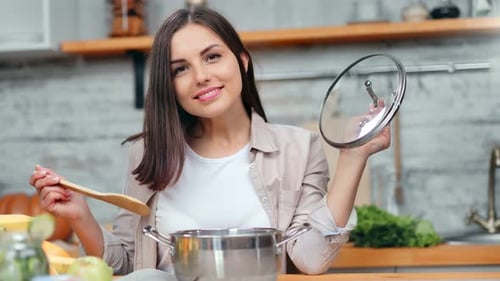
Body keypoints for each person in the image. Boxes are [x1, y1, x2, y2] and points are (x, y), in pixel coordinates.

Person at [29, 6, 390, 277]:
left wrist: (353, 157)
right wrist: (81, 217)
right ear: (168, 85)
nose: (201, 77)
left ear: (242, 62)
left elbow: (311, 259)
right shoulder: (150, 153)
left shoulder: (300, 149)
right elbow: (125, 266)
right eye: (180, 69)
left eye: (212, 56)